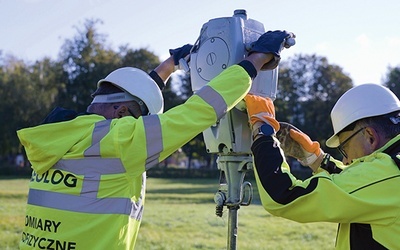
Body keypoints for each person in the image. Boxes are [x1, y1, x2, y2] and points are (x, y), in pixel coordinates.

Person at [17, 30, 295, 249]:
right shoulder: (119, 141)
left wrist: (170, 65)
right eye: (141, 120)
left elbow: (129, 100)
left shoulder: (59, 132)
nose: (143, 128)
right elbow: (197, 112)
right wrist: (256, 60)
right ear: (125, 114)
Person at [245, 83, 400, 249]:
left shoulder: (388, 173)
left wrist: (263, 131)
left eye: (344, 148)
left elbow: (284, 197)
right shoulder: (391, 171)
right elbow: (363, 185)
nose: (346, 161)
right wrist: (316, 159)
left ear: (370, 137)